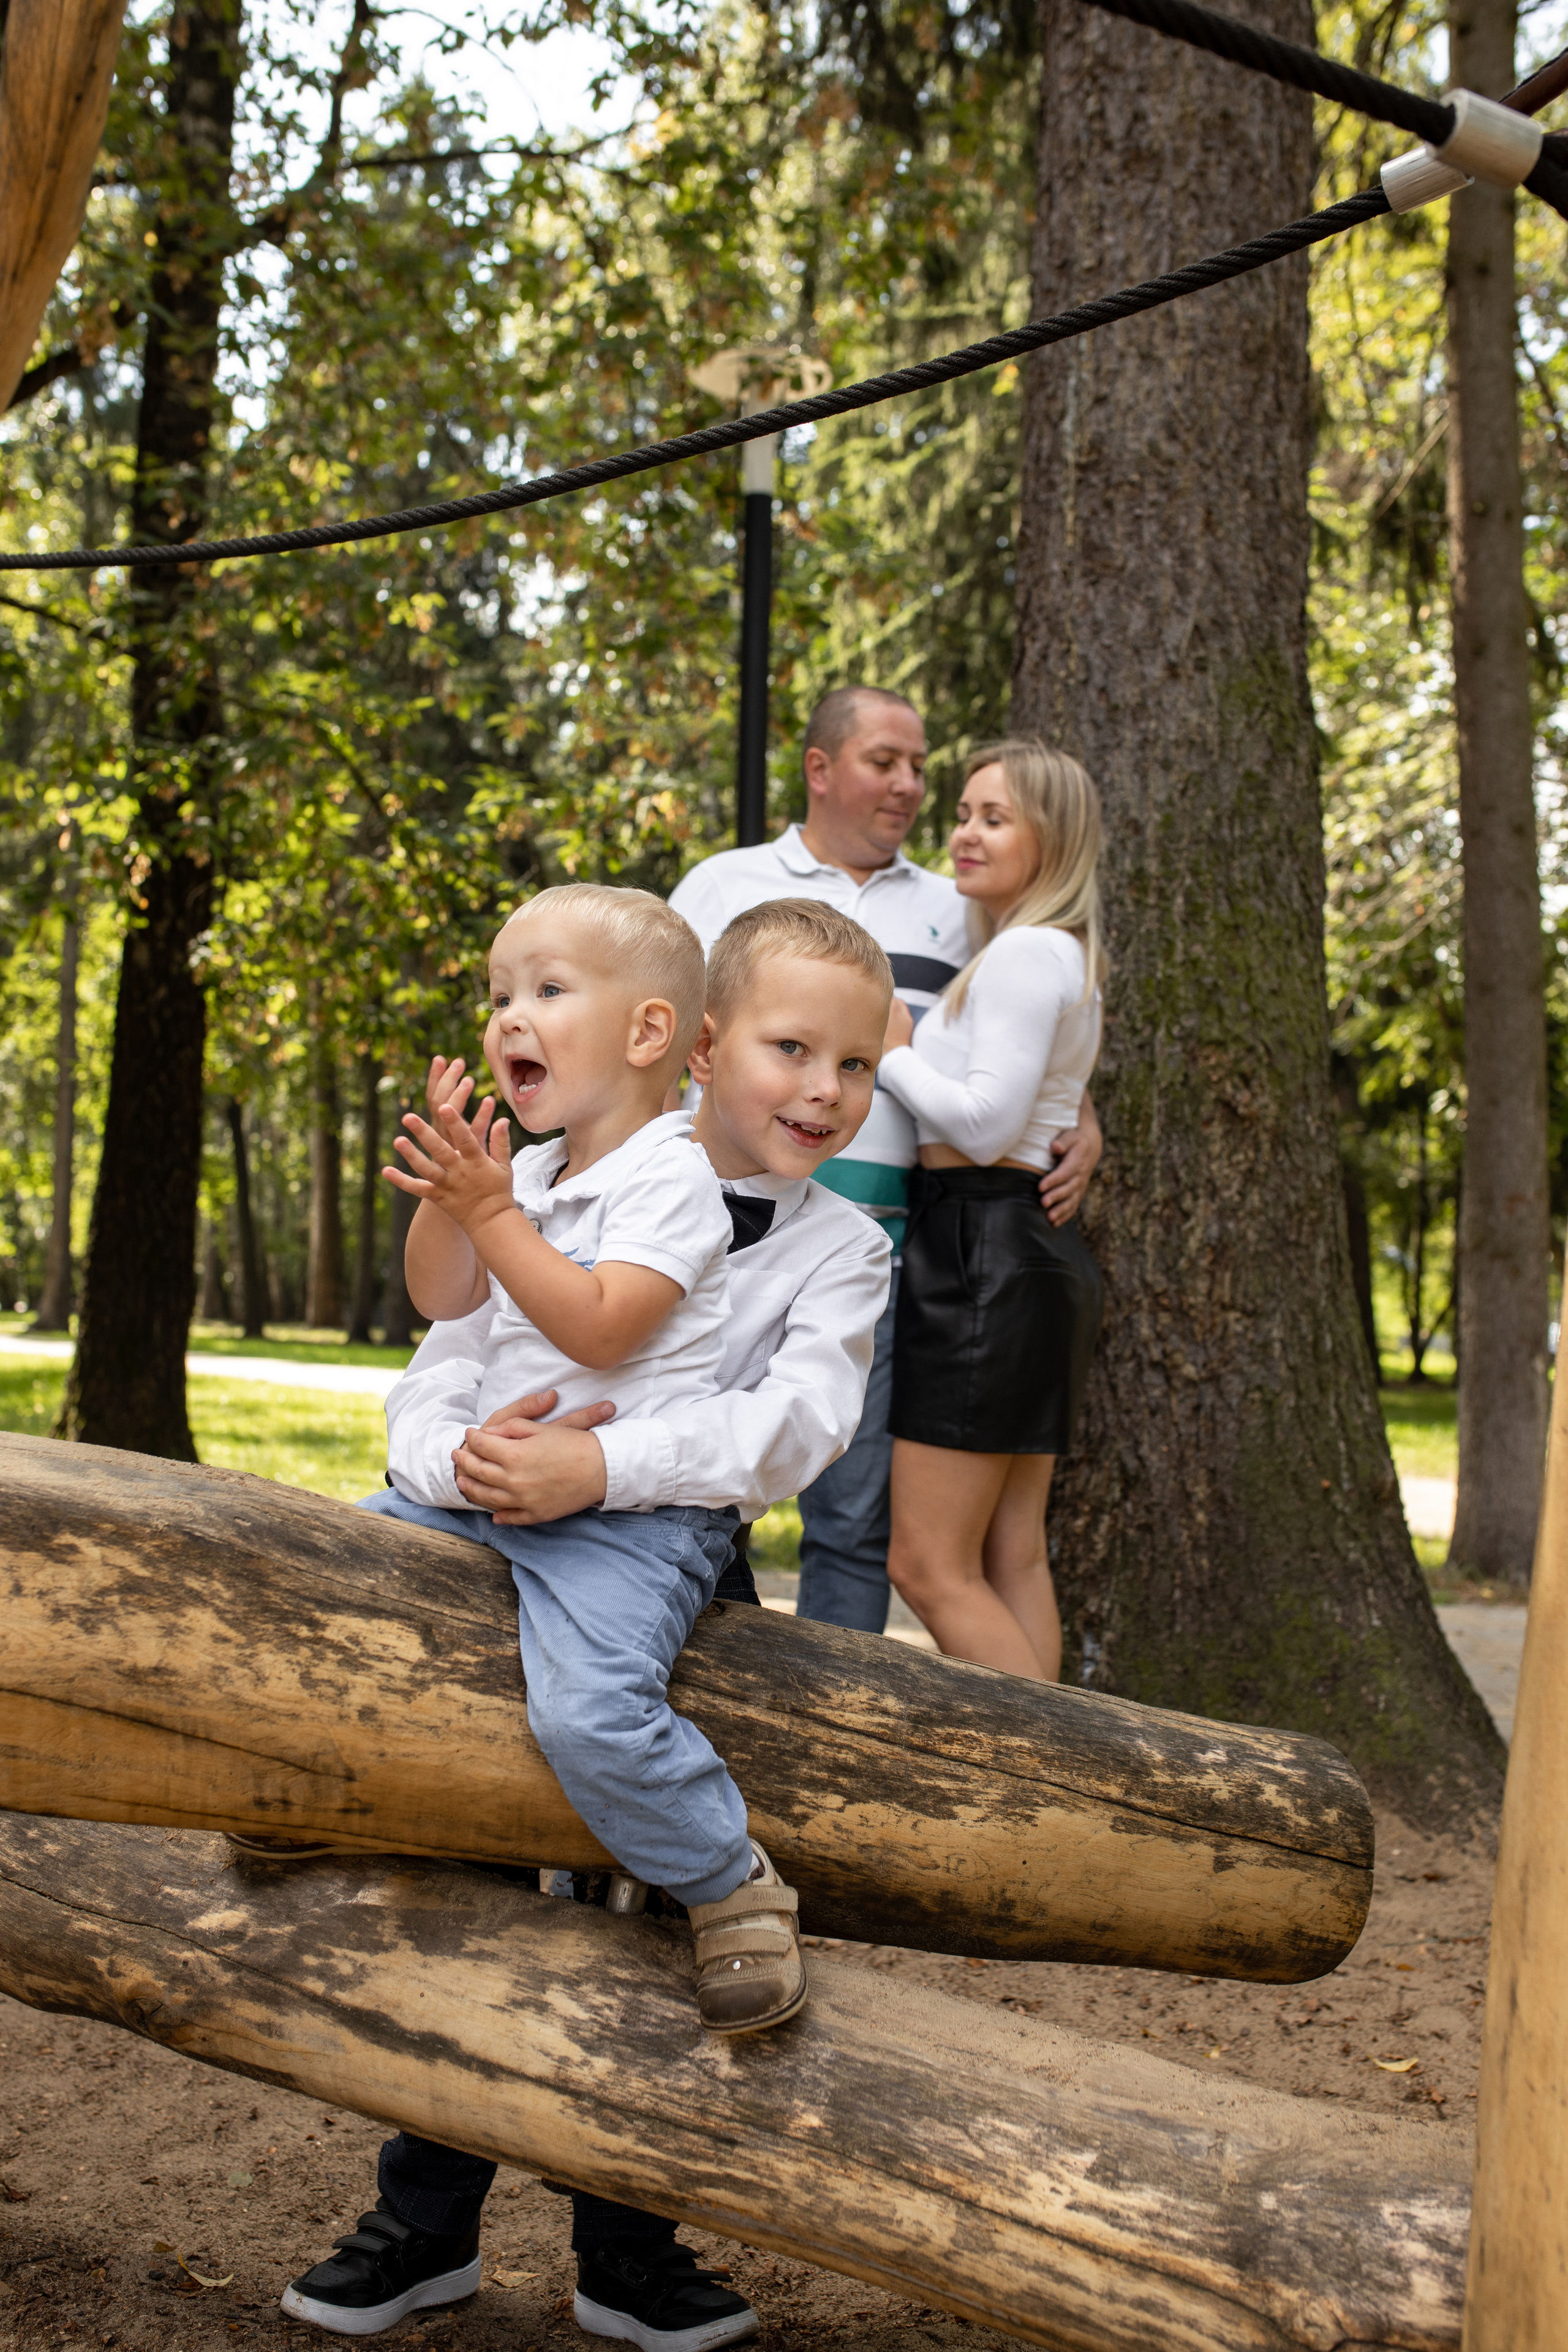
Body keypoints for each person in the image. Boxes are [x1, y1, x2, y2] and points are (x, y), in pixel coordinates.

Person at [279, 899, 897, 2351]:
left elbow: (786, 1432)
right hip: (488, 1535)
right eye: (788, 1049)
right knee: (467, 1894)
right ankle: (417, 2227)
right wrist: (469, 1464)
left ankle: (630, 2249)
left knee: (631, 1933)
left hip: (672, 1580)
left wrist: (596, 1470)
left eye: (852, 1068)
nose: (819, 1089)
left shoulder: (842, 1249)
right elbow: (443, 1360)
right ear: (696, 1048)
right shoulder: (555, 1175)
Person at [367, 879, 809, 2045]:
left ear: (649, 1032)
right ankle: (326, 1790)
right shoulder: (528, 1175)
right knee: (340, 1575)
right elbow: (444, 1296)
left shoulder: (672, 1179)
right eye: (499, 994)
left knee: (589, 1716)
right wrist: (458, 1197)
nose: (510, 1017)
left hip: (631, 1521)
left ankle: (727, 1881)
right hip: (500, 1490)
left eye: (548, 991)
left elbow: (606, 1325)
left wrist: (493, 1212)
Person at [669, 684, 1102, 1635]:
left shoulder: (965, 907)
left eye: (919, 766)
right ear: (821, 770)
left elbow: (1021, 1035)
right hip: (714, 1245)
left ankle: (832, 1727)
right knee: (680, 1483)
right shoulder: (722, 885)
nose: (910, 786)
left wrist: (1084, 1116)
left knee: (854, 1522)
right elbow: (656, 1040)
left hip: (892, 1259)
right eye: (885, 763)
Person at [875, 739, 1106, 1680]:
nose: (964, 833)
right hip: (1019, 1252)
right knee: (1011, 1555)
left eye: (993, 818)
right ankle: (1066, 1802)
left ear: (1050, 838)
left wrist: (888, 1048)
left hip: (982, 1253)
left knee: (927, 1565)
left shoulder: (1025, 954)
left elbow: (981, 1125)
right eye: (963, 813)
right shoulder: (1049, 952)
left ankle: (1057, 1777)